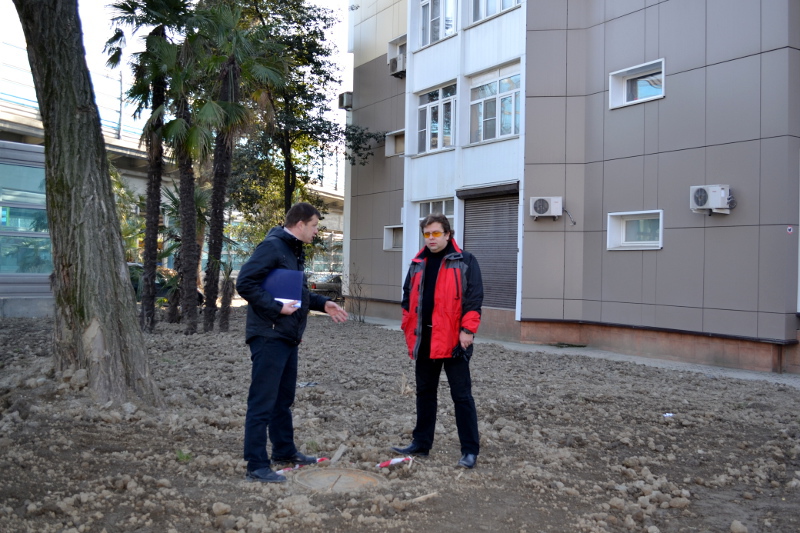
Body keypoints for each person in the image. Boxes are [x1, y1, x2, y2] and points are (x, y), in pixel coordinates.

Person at [236, 202, 348, 483]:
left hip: (287, 336)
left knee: (282, 399)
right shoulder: (273, 247)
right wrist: (275, 307)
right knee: (262, 401)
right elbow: (245, 283)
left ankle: (284, 451)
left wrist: (324, 304)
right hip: (269, 335)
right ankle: (256, 465)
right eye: (314, 226)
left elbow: (298, 294)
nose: (316, 231)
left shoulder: (292, 250)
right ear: (300, 224)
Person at [391, 213, 484, 469]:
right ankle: (421, 443)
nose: (431, 238)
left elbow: (474, 298)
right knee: (425, 393)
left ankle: (469, 450)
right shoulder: (417, 263)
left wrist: (468, 330)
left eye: (436, 233)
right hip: (424, 341)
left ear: (447, 234)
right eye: (427, 234)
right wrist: (407, 325)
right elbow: (407, 297)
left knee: (462, 396)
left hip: (454, 342)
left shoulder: (465, 261)